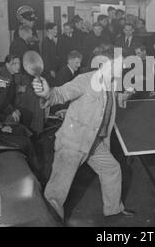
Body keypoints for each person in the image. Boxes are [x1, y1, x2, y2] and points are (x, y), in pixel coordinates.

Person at [32, 44, 135, 220]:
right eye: (119, 63)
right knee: (57, 190)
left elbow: (110, 101)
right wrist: (47, 93)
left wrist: (125, 95)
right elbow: (61, 93)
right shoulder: (85, 80)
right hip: (73, 143)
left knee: (112, 169)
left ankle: (113, 209)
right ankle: (49, 222)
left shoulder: (112, 83)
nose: (124, 66)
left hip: (94, 143)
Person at [41, 22, 60, 87]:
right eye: (55, 29)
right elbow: (45, 58)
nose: (56, 31)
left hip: (54, 69)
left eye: (56, 29)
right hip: (49, 71)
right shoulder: (46, 42)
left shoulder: (52, 41)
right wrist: (50, 70)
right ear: (49, 30)